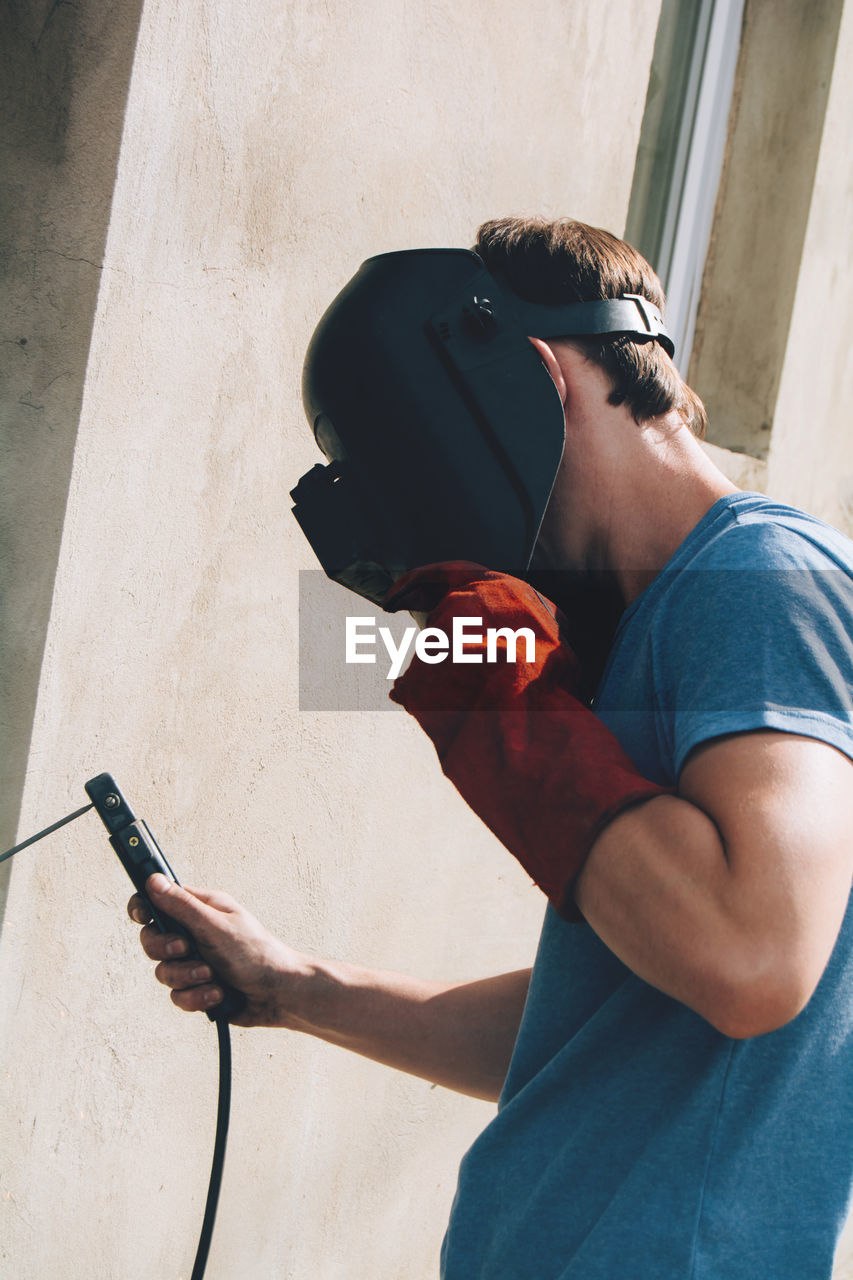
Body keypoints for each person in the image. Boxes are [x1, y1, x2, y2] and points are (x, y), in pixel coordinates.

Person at [129, 218, 853, 1278]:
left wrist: (501, 708)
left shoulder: (758, 583)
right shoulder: (662, 623)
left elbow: (749, 959)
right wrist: (293, 984)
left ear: (527, 384)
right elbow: (598, 1029)